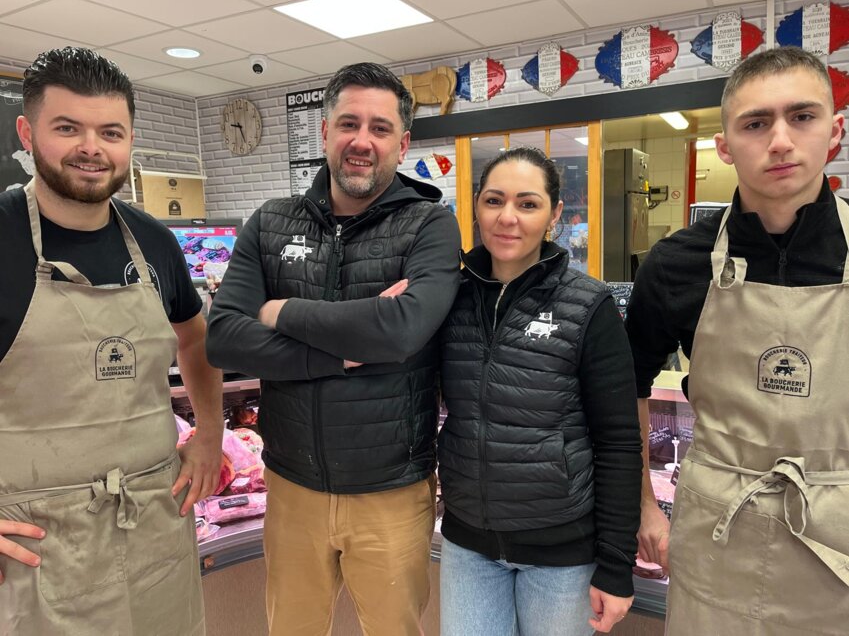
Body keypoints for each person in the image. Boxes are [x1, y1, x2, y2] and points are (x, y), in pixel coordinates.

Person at [206, 62, 461, 635]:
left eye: (379, 127)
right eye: (349, 123)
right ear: (324, 132)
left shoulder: (430, 227)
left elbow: (400, 331)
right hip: (292, 486)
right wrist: (336, 352)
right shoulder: (270, 223)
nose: (362, 141)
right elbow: (223, 337)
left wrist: (279, 312)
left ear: (402, 143)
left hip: (391, 492)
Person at [0, 47, 224, 634]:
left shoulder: (154, 241)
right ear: (27, 133)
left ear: (129, 142)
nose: (91, 147)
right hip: (37, 546)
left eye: (110, 132)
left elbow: (195, 338)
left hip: (154, 526)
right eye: (67, 128)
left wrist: (209, 434)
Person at [627, 46, 849, 634]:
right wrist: (645, 505)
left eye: (802, 116)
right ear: (725, 145)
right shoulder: (674, 265)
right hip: (715, 531)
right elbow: (627, 388)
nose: (780, 141)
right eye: (755, 123)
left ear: (835, 132)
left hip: (838, 541)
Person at [438, 147, 642, 635]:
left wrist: (616, 564)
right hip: (468, 544)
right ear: (476, 208)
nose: (507, 217)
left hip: (562, 554)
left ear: (554, 215)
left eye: (527, 204)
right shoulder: (447, 297)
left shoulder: (588, 305)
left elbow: (618, 441)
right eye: (494, 201)